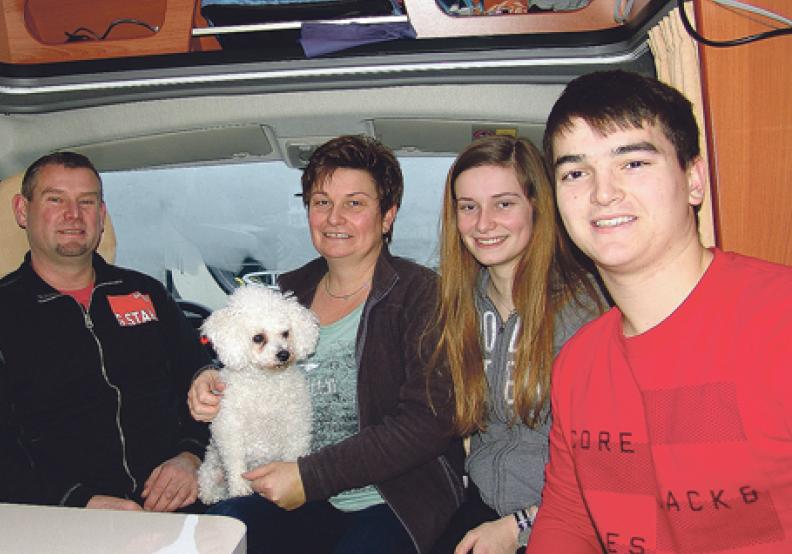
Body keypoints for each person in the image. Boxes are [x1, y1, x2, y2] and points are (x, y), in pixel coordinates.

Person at [529, 70, 792, 552]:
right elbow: (570, 516)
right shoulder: (578, 366)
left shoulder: (779, 323)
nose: (602, 193)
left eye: (632, 163)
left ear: (694, 180)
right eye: (575, 172)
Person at [188, 135, 465, 554]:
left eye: (354, 203)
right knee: (216, 535)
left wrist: (309, 476)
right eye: (321, 202)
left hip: (389, 498)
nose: (334, 217)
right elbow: (240, 352)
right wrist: (207, 378)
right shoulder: (286, 291)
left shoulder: (421, 293)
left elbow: (428, 421)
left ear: (387, 216)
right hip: (290, 493)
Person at [0, 152, 211, 511]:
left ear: (102, 215)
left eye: (87, 202)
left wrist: (190, 457)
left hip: (178, 506)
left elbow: (203, 382)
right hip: (58, 518)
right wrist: (78, 502)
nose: (74, 214)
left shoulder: (147, 294)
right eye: (56, 200)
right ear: (23, 211)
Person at [426, 136, 605, 554]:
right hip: (483, 504)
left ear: (537, 207)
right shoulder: (461, 306)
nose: (483, 223)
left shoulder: (587, 310)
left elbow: (610, 466)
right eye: (468, 207)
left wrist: (521, 526)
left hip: (565, 517)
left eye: (503, 204)